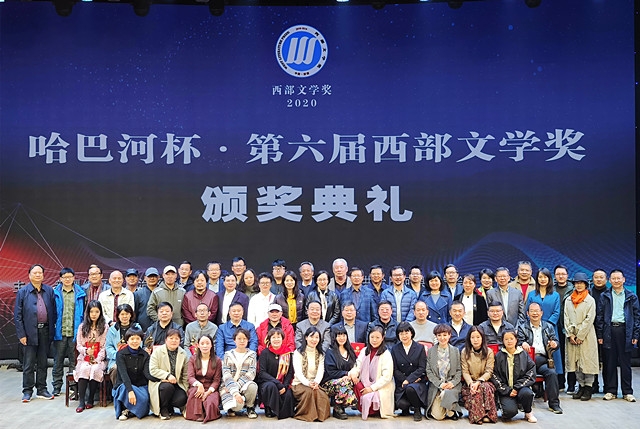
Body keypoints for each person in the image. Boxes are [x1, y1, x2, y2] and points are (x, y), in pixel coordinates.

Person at [15, 264, 57, 402]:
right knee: (28, 364)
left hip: (45, 331)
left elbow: (54, 312)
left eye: (40, 273)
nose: (38, 275)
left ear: (43, 275)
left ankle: (42, 389)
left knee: (43, 362)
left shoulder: (49, 290)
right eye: (35, 273)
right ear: (29, 275)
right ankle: (27, 391)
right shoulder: (23, 292)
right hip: (29, 333)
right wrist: (21, 334)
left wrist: (51, 331)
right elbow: (18, 315)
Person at [596, 269, 639, 402]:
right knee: (610, 362)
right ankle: (611, 391)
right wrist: (600, 334)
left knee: (625, 363)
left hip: (625, 331)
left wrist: (635, 334)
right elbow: (600, 316)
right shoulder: (605, 296)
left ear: (623, 280)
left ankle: (627, 392)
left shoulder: (631, 296)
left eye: (618, 278)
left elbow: (637, 316)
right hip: (609, 331)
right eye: (613, 279)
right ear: (610, 280)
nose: (616, 281)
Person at [518, 302, 563, 412]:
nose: (535, 313)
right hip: (527, 361)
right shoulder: (522, 327)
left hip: (543, 360)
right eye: (532, 311)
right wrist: (522, 343)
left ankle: (554, 404)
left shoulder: (548, 327)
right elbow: (518, 342)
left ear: (541, 313)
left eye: (537, 311)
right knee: (520, 373)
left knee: (552, 373)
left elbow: (556, 342)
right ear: (527, 313)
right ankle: (522, 403)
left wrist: (555, 344)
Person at [564, 272, 599, 401]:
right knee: (576, 362)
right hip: (572, 336)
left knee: (587, 362)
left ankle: (588, 387)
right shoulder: (568, 300)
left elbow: (589, 319)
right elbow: (566, 317)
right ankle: (581, 386)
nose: (579, 285)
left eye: (581, 283)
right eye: (576, 283)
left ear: (585, 285)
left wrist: (580, 335)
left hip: (586, 335)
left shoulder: (590, 300)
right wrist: (570, 334)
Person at [348, 325, 395, 419]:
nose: (374, 340)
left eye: (377, 337)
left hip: (380, 387)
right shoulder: (364, 351)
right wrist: (353, 374)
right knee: (354, 384)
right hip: (365, 383)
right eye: (372, 337)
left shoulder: (386, 354)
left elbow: (387, 377)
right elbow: (358, 366)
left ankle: (374, 410)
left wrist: (372, 388)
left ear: (382, 338)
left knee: (371, 394)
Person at [52, 267, 86, 397]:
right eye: (65, 277)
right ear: (60, 279)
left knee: (74, 361)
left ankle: (73, 386)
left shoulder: (80, 293)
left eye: (70, 277)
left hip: (75, 333)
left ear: (74, 278)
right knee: (58, 361)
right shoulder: (55, 293)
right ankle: (56, 386)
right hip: (59, 332)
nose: (67, 279)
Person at [491, 330, 537, 423]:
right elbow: (494, 375)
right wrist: (507, 390)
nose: (509, 341)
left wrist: (517, 388)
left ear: (516, 340)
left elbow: (531, 372)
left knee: (527, 393)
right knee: (509, 413)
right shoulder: (499, 356)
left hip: (521, 388)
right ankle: (507, 409)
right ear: (503, 341)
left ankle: (528, 412)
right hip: (506, 390)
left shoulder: (524, 354)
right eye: (506, 339)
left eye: (511, 339)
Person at [526, 268, 563, 381]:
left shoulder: (555, 295)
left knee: (552, 353)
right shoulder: (532, 294)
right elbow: (527, 311)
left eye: (545, 277)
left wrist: (547, 325)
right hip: (534, 327)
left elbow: (556, 312)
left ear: (549, 279)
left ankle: (556, 381)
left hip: (550, 328)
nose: (543, 279)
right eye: (540, 277)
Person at [112, 327, 155, 420]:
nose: (135, 341)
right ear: (127, 340)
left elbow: (147, 374)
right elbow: (123, 375)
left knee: (144, 399)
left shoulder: (145, 355)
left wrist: (161, 379)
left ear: (141, 340)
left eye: (137, 339)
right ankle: (124, 410)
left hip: (140, 386)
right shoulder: (120, 354)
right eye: (132, 339)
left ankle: (130, 411)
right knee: (124, 390)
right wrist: (130, 391)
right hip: (125, 384)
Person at [73, 300, 108, 413]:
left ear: (100, 313)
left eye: (96, 312)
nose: (94, 314)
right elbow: (79, 345)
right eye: (91, 311)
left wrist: (98, 359)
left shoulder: (104, 327)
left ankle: (91, 398)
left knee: (95, 369)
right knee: (84, 368)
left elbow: (104, 346)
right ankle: (81, 401)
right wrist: (86, 351)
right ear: (87, 313)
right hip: (84, 357)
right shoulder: (82, 327)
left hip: (99, 358)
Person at [290, 327, 331, 421]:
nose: (314, 340)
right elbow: (298, 373)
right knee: (309, 392)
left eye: (317, 337)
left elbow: (321, 371)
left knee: (322, 395)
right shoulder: (298, 353)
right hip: (299, 383)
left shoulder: (320, 354)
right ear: (306, 337)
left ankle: (320, 416)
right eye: (311, 337)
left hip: (314, 383)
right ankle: (306, 415)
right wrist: (308, 383)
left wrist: (316, 383)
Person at [149, 328, 189, 420]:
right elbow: (153, 369)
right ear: (166, 339)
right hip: (160, 383)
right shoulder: (157, 352)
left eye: (176, 338)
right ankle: (163, 409)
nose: (174, 341)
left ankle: (170, 406)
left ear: (180, 341)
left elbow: (185, 374)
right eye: (171, 338)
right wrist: (167, 375)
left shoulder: (183, 354)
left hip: (177, 384)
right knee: (167, 387)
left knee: (182, 398)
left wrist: (187, 390)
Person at [460, 326, 497, 424]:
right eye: (472, 337)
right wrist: (471, 383)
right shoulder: (465, 352)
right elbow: (465, 371)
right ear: (469, 339)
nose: (475, 340)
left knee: (484, 387)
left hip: (484, 382)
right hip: (470, 384)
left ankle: (486, 415)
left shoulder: (489, 352)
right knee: (475, 391)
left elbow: (489, 371)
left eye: (478, 337)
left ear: (482, 338)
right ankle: (478, 416)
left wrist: (479, 382)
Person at [256, 327, 296, 419]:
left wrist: (285, 385)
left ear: (282, 339)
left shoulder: (288, 353)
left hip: (282, 383)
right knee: (271, 386)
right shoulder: (265, 353)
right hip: (267, 382)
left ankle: (284, 412)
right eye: (273, 337)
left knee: (289, 392)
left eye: (278, 337)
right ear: (269, 339)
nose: (276, 340)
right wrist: (277, 383)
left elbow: (290, 373)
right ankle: (269, 408)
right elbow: (262, 373)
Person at [391, 322, 428, 421]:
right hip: (402, 382)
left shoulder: (420, 347)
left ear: (411, 333)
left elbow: (422, 368)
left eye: (406, 333)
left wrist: (410, 380)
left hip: (417, 382)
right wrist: (405, 380)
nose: (404, 336)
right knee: (401, 404)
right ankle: (406, 409)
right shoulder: (395, 349)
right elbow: (395, 369)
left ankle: (417, 409)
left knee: (411, 389)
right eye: (401, 333)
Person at [425, 323, 462, 421]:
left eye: (445, 335)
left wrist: (452, 383)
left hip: (451, 385)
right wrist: (440, 384)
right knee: (438, 416)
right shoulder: (431, 351)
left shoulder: (455, 351)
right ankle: (449, 406)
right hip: (437, 386)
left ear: (449, 335)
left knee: (447, 394)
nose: (442, 338)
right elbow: (429, 371)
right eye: (439, 335)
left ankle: (450, 409)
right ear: (436, 336)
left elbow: (458, 371)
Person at [220, 327, 259, 418]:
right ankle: (231, 409)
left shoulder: (252, 355)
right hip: (228, 386)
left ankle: (250, 408)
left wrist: (237, 386)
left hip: (244, 384)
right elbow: (226, 374)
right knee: (238, 406)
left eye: (244, 338)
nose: (242, 341)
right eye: (239, 338)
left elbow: (251, 374)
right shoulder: (228, 355)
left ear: (248, 340)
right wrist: (234, 391)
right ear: (234, 340)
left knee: (253, 386)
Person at [322, 326, 358, 420]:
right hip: (329, 383)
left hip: (347, 380)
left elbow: (355, 365)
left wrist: (351, 374)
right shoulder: (330, 352)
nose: (342, 338)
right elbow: (331, 372)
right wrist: (345, 375)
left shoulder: (350, 350)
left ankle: (340, 407)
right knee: (344, 383)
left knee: (347, 382)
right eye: (339, 336)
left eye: (344, 335)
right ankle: (338, 407)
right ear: (334, 337)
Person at [185, 334, 222, 422]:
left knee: (210, 401)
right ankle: (198, 414)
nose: (205, 346)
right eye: (202, 343)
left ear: (211, 345)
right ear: (198, 345)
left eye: (207, 343)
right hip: (196, 386)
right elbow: (190, 377)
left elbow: (216, 380)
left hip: (210, 388)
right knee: (197, 393)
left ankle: (207, 413)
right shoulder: (192, 359)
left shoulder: (217, 360)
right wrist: (199, 385)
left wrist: (208, 392)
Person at [553, 264, 575, 393]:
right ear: (554, 276)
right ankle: (560, 383)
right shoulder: (551, 289)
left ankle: (571, 384)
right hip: (555, 326)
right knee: (558, 356)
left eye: (563, 274)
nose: (561, 276)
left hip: (569, 326)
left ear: (567, 275)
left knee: (571, 356)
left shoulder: (573, 289)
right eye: (558, 274)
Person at [106, 304, 140, 381]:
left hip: (134, 359)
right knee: (116, 369)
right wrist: (119, 356)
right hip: (116, 360)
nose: (124, 316)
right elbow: (108, 347)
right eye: (122, 314)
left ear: (130, 315)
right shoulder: (112, 330)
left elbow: (139, 345)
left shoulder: (136, 328)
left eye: (127, 314)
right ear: (118, 316)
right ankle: (118, 388)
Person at [590, 268, 609, 393]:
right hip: (591, 330)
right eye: (596, 277)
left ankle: (608, 387)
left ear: (606, 279)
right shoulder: (588, 292)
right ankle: (593, 385)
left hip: (607, 330)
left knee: (608, 360)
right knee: (592, 359)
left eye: (601, 277)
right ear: (592, 279)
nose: (598, 279)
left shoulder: (610, 293)